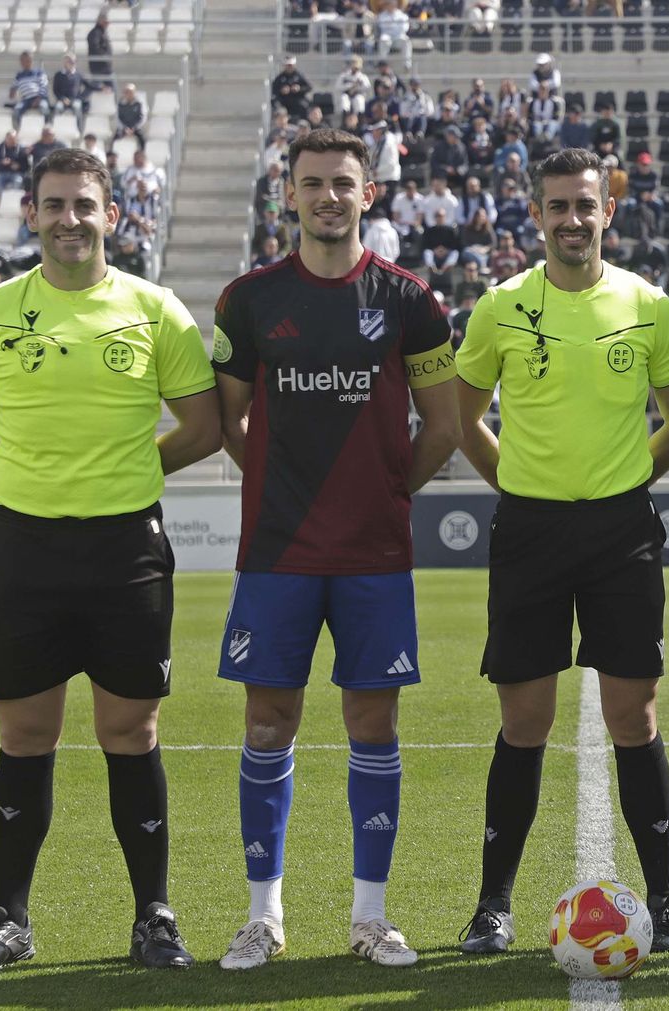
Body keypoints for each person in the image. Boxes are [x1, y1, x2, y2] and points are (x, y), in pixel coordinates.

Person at [0, 147, 220, 974]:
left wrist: (121, 474)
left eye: (84, 206)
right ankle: (8, 918)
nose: (69, 220)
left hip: (127, 546)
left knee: (131, 729)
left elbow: (201, 428)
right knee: (27, 733)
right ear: (31, 215)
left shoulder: (155, 309)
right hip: (24, 546)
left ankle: (154, 917)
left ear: (112, 216)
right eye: (54, 205)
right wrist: (32, 477)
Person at [210, 127, 461, 972]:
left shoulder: (410, 300)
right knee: (267, 722)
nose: (327, 197)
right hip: (278, 551)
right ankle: (262, 916)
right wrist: (279, 485)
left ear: (368, 192)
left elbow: (447, 427)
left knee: (373, 722)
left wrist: (388, 491)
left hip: (373, 554)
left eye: (342, 184)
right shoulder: (246, 300)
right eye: (312, 183)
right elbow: (231, 422)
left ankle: (370, 916)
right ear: (288, 194)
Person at [454, 147, 669, 956]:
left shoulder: (648, 303)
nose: (571, 219)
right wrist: (519, 486)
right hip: (529, 532)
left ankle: (664, 901)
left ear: (608, 210)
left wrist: (630, 477)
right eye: (557, 206)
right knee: (526, 719)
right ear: (537, 214)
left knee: (634, 715)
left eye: (584, 205)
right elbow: (468, 419)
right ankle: (493, 905)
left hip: (621, 532)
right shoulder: (499, 307)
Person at [9, 51, 52, 126]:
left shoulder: (39, 72)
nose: (24, 63)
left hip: (39, 98)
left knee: (44, 108)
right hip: (26, 100)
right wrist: (12, 92)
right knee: (16, 110)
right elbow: (14, 86)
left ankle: (48, 129)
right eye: (22, 61)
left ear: (31, 61)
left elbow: (43, 86)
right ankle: (15, 131)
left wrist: (38, 99)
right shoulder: (19, 75)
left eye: (27, 60)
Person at [86, 10, 114, 91]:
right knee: (95, 89)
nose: (108, 24)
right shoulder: (95, 33)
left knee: (110, 90)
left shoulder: (102, 32)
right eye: (106, 22)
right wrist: (105, 57)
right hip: (99, 68)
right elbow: (95, 47)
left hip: (104, 68)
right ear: (100, 21)